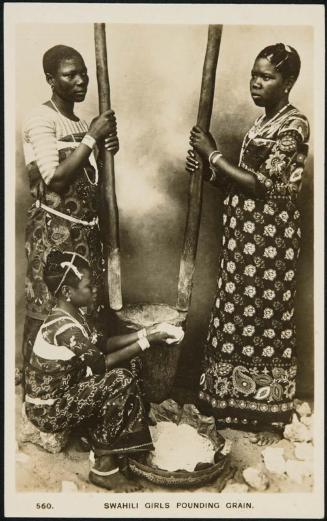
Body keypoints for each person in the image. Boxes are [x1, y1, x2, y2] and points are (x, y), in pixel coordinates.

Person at [186, 43, 310, 445]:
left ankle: (270, 417)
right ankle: (228, 404)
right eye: (254, 75)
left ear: (288, 82)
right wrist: (208, 169)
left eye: (267, 76)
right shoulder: (261, 123)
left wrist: (215, 154)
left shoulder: (295, 126)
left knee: (267, 322)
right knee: (236, 315)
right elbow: (236, 182)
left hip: (271, 245)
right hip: (244, 242)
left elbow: (266, 185)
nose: (256, 83)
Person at [24, 250, 180, 491]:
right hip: (48, 409)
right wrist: (149, 341)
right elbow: (100, 364)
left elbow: (104, 344)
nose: (95, 289)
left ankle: (102, 436)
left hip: (70, 390)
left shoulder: (75, 314)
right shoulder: (64, 328)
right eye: (89, 286)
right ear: (67, 291)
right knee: (120, 378)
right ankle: (104, 468)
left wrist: (148, 332)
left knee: (131, 364)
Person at [22, 44, 119, 363]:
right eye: (70, 74)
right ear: (51, 79)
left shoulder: (78, 124)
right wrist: (92, 137)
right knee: (51, 305)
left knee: (83, 305)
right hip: (53, 235)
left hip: (85, 235)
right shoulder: (40, 118)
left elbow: (90, 187)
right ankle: (44, 381)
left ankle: (80, 378)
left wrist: (106, 155)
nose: (81, 80)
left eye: (84, 73)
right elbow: (57, 179)